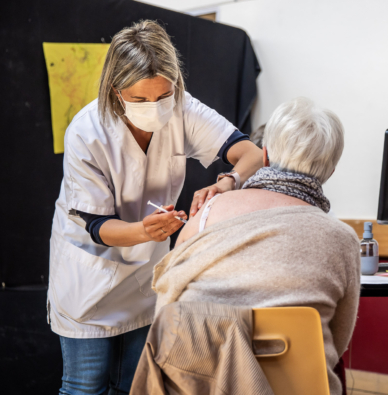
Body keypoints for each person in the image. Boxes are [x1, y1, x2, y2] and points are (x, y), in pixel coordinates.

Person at [48, 20, 263, 395]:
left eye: (163, 97)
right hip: (89, 274)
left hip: (145, 277)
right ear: (115, 91)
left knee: (134, 386)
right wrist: (144, 231)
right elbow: (97, 225)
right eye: (140, 100)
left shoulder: (182, 108)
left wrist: (227, 181)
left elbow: (251, 154)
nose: (156, 108)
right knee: (85, 387)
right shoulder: (86, 132)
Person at [149, 97, 360, 395]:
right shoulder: (342, 239)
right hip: (297, 386)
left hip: (197, 383)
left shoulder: (207, 212)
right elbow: (337, 342)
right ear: (331, 170)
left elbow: (167, 307)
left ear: (265, 155)